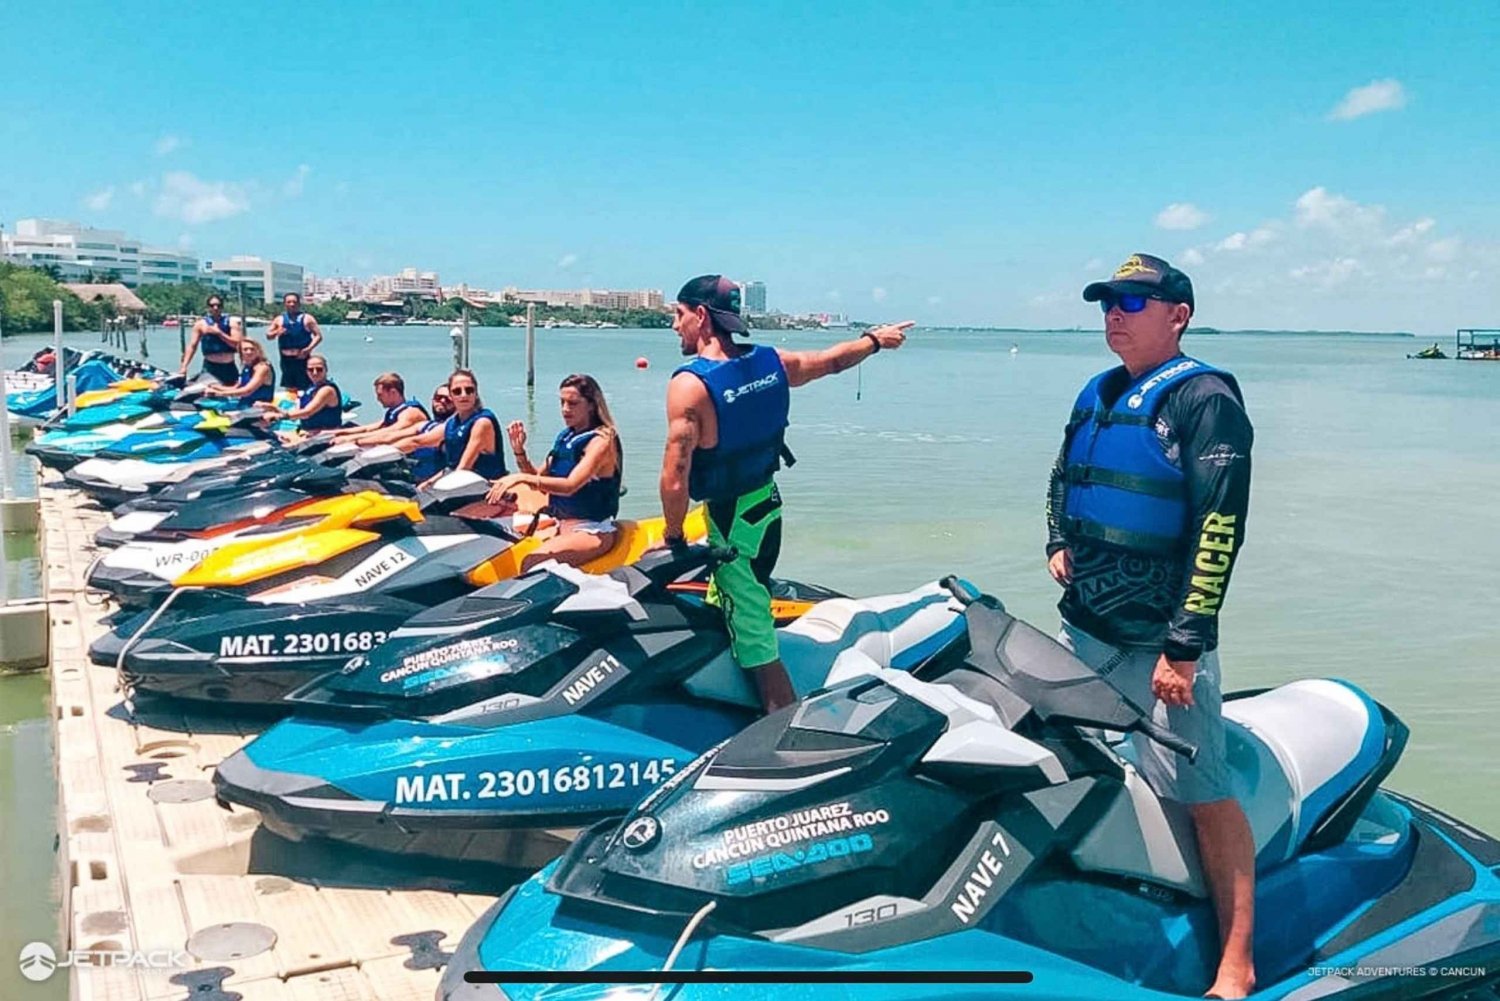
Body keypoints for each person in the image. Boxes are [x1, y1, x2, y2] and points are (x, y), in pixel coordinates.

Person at [1046, 253, 1256, 999]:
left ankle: (1236, 960)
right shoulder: (1097, 391)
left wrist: (1185, 646)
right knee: (1074, 763)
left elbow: (1218, 527)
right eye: (1108, 301)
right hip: (1084, 629)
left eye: (1134, 302)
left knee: (1203, 791)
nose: (1115, 313)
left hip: (1160, 644)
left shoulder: (1205, 400)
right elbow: (1063, 475)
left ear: (1178, 315)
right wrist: (1055, 542)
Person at [658, 274, 911, 714]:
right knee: (734, 600)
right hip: (766, 507)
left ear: (700, 316)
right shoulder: (771, 363)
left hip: (733, 521)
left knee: (755, 633)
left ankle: (784, 726)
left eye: (678, 316)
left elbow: (675, 476)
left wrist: (675, 536)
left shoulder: (690, 386)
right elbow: (830, 361)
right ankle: (726, 695)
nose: (675, 326)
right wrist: (872, 340)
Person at [486, 374, 623, 571]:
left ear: (591, 405)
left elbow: (570, 486)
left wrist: (520, 478)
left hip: (591, 531)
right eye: (562, 402)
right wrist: (519, 452)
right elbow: (540, 482)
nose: (565, 409)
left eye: (573, 403)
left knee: (531, 563)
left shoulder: (601, 440)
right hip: (561, 526)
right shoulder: (567, 436)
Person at [396, 369, 505, 487]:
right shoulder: (452, 423)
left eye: (469, 390)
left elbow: (463, 469)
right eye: (457, 391)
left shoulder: (483, 423)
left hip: (485, 488)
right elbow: (418, 441)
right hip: (463, 485)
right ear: (452, 396)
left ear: (476, 393)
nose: (464, 395)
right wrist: (382, 453)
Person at [258, 353, 342, 436]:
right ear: (306, 371)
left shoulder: (327, 390)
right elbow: (298, 413)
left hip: (324, 435)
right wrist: (273, 408)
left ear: (326, 370)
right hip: (308, 432)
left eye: (319, 369)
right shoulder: (311, 388)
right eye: (311, 369)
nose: (315, 372)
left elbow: (307, 412)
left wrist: (278, 416)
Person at [332, 372, 429, 441]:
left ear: (393, 392)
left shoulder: (410, 413)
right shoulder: (395, 411)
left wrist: (351, 439)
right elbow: (369, 428)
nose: (378, 399)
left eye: (380, 395)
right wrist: (335, 433)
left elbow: (388, 433)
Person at [265, 292, 323, 391]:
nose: (292, 304)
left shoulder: (307, 319)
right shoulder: (279, 320)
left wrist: (308, 349)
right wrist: (276, 332)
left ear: (299, 304)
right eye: (289, 302)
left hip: (302, 358)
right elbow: (268, 336)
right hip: (286, 360)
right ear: (285, 304)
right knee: (289, 386)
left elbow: (318, 336)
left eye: (294, 302)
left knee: (306, 385)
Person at [180, 294, 242, 384]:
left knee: (231, 392)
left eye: (218, 305)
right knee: (209, 393)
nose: (215, 308)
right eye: (212, 306)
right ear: (208, 307)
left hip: (229, 366)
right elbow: (192, 346)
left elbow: (237, 344)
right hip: (210, 367)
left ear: (222, 307)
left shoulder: (232, 323)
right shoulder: (201, 324)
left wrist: (219, 333)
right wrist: (184, 366)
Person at [203, 336, 275, 405]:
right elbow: (236, 388)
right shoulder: (247, 366)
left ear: (258, 351)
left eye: (252, 349)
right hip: (245, 404)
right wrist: (215, 387)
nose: (249, 352)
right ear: (240, 352)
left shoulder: (262, 368)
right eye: (245, 349)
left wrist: (217, 393)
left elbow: (247, 391)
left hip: (258, 406)